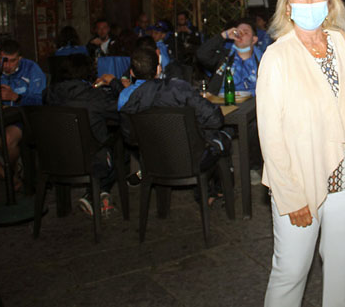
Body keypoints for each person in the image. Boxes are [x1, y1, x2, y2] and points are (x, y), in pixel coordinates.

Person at [257, 0, 345, 307]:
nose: (310, 2)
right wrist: (289, 196)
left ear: (330, 1)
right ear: (287, 5)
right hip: (301, 180)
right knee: (291, 271)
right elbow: (270, 135)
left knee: (341, 269)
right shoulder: (277, 57)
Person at [114, 46, 231, 176]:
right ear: (158, 69)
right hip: (191, 159)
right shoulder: (177, 89)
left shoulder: (127, 99)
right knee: (223, 135)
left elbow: (130, 138)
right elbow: (215, 119)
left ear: (132, 73)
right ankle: (217, 186)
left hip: (152, 161)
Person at [43, 54, 120, 217]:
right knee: (119, 151)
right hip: (91, 160)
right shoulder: (95, 97)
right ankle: (95, 193)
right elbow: (122, 108)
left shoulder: (49, 94)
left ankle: (97, 194)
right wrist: (115, 84)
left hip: (56, 158)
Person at [0, 38, 46, 188]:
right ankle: (6, 175)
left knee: (6, 140)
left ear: (19, 58)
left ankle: (13, 169)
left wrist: (17, 97)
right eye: (4, 61)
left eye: (12, 61)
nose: (7, 65)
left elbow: (41, 100)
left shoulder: (31, 69)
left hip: (20, 118)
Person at [196, 18, 262, 96]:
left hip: (254, 102)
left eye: (246, 32)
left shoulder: (263, 61)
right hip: (224, 100)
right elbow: (201, 54)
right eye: (238, 32)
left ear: (254, 40)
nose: (241, 34)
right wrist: (224, 35)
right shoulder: (225, 57)